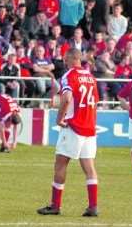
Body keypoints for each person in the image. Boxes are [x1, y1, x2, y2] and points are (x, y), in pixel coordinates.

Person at [37, 49, 99, 216]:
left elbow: (66, 98)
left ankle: (55, 205)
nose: (64, 61)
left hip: (74, 126)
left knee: (60, 164)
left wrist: (60, 118)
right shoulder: (91, 78)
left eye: (65, 59)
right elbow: (96, 101)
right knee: (89, 167)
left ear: (72, 59)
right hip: (90, 127)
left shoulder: (69, 76)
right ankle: (93, 206)